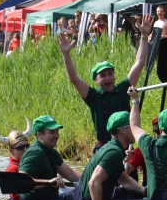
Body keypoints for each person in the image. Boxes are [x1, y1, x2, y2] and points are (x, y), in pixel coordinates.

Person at [59, 15, 153, 153]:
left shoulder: (123, 89)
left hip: (127, 148)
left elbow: (139, 63)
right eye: (102, 76)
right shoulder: (93, 96)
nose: (108, 78)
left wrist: (144, 36)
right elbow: (73, 78)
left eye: (110, 74)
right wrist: (66, 54)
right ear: (96, 80)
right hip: (104, 149)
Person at [71, 111, 148, 200]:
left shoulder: (111, 147)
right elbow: (93, 183)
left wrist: (144, 191)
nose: (136, 131)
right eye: (133, 127)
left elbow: (124, 180)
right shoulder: (114, 152)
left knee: (129, 195)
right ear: (122, 130)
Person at [18, 115, 80, 200]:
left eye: (57, 131)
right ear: (39, 135)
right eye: (51, 132)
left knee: (81, 196)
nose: (56, 135)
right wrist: (49, 182)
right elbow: (21, 182)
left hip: (50, 199)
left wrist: (92, 179)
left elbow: (71, 174)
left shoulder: (50, 151)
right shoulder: (35, 153)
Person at [0, 124, 32, 200]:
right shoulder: (13, 169)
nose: (25, 149)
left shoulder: (26, 163)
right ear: (11, 151)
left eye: (27, 146)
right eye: (20, 148)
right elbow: (19, 195)